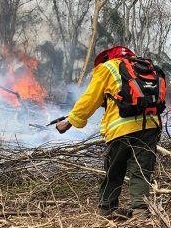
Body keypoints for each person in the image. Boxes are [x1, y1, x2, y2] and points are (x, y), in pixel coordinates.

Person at [56, 46, 162, 218]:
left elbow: (90, 99)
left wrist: (70, 122)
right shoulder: (144, 68)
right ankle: (140, 212)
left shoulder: (108, 67)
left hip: (121, 128)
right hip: (151, 126)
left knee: (114, 170)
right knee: (141, 170)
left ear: (106, 58)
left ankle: (106, 210)